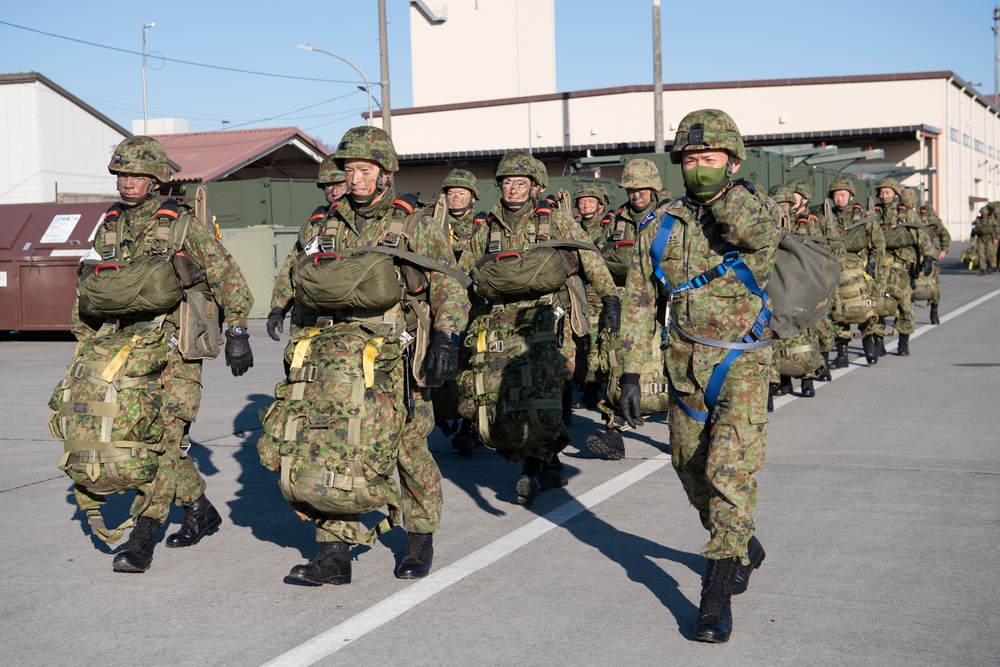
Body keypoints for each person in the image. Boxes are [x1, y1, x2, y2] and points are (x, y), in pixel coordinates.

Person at [274, 126, 469, 584]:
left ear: (386, 173)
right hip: (332, 356)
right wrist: (279, 304)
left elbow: (449, 283)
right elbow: (295, 268)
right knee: (329, 443)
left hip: (392, 355)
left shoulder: (415, 223)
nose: (355, 179)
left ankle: (419, 536)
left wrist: (447, 337)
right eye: (349, 170)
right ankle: (333, 552)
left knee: (406, 445)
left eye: (364, 170)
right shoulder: (323, 222)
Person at [618, 109, 779, 643]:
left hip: (743, 364)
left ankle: (713, 601)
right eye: (690, 159)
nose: (698, 167)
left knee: (729, 472)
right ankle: (741, 542)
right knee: (690, 468)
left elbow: (754, 234)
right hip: (683, 363)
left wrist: (718, 192)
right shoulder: (660, 225)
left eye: (710, 158)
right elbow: (640, 299)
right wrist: (632, 373)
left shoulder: (755, 208)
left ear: (733, 160)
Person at [70, 136, 254, 573]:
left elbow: (229, 277)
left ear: (156, 179)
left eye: (136, 175)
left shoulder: (182, 226)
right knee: (135, 437)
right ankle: (200, 509)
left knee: (165, 440)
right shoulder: (109, 226)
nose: (127, 183)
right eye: (121, 175)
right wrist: (83, 343)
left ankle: (142, 536)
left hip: (176, 348)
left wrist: (239, 331)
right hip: (126, 350)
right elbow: (89, 285)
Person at [456, 151, 619, 505]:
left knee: (541, 393)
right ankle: (552, 464)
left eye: (521, 183)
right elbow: (465, 273)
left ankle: (533, 465)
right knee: (506, 397)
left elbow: (588, 255)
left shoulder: (555, 221)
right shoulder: (486, 227)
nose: (513, 189)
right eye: (507, 183)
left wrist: (610, 299)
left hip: (547, 318)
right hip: (499, 324)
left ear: (535, 187)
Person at [266, 155, 348, 342]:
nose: (334, 192)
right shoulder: (315, 225)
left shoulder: (368, 223)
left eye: (340, 184)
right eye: (328, 186)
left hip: (351, 322)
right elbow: (293, 266)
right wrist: (278, 308)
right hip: (312, 320)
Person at [765, 184, 824, 407]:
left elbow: (817, 252)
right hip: (772, 286)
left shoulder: (805, 225)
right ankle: (771, 387)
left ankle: (807, 379)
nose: (781, 209)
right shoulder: (764, 225)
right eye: (777, 205)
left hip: (798, 286)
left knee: (802, 335)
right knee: (770, 338)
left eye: (785, 205)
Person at [872, 177, 934, 356]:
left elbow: (921, 235)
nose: (884, 196)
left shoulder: (906, 214)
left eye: (888, 193)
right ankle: (878, 341)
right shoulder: (873, 214)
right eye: (881, 193)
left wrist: (928, 257)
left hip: (902, 269)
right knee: (877, 305)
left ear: (896, 194)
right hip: (880, 268)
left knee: (905, 305)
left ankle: (903, 342)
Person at [826, 177, 885, 366]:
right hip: (837, 272)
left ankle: (869, 346)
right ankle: (842, 354)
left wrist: (873, 263)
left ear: (851, 196)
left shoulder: (864, 217)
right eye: (836, 195)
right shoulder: (827, 218)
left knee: (867, 309)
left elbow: (879, 243)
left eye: (843, 195)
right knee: (838, 312)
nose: (840, 199)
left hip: (862, 273)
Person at [571, 181, 614, 410]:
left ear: (600, 204)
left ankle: (608, 390)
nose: (586, 205)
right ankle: (588, 390)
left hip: (602, 292)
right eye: (582, 201)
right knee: (583, 344)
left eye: (591, 201)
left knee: (604, 344)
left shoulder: (611, 225)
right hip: (580, 292)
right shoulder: (573, 226)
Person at [918, 196, 951, 324]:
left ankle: (934, 311)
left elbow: (945, 235)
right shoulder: (910, 217)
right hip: (914, 257)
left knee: (934, 286)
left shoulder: (933, 220)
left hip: (931, 257)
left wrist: (944, 250)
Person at [440, 168, 481, 262]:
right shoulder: (437, 224)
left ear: (473, 198)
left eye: (461, 193)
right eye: (450, 194)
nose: (455, 198)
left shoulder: (482, 226)